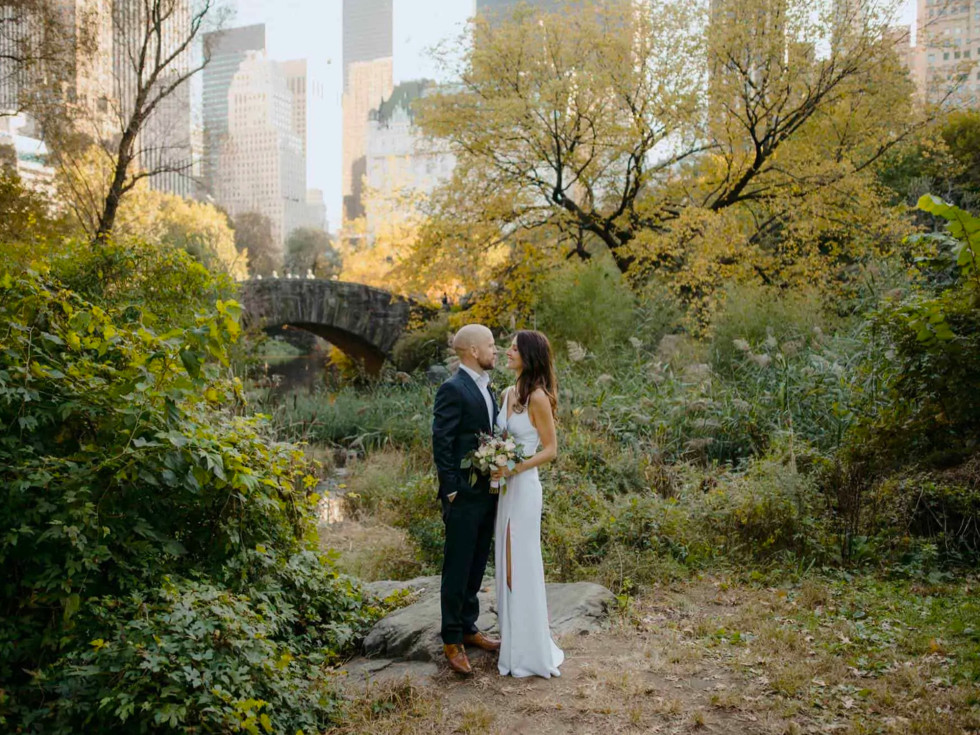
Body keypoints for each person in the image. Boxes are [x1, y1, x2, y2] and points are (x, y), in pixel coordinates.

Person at [490, 330, 564, 678]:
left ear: (529, 356)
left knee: (520, 562)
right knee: (504, 561)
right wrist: (493, 460)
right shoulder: (508, 393)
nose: (507, 352)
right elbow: (500, 438)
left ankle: (529, 649)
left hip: (524, 487)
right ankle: (512, 640)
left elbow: (550, 450)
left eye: (514, 348)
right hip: (505, 488)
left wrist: (514, 468)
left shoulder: (538, 397)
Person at [431, 324, 502, 675]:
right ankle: (451, 638)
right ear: (473, 351)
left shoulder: (488, 388)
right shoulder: (452, 388)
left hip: (488, 492)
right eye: (491, 345)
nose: (496, 350)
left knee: (476, 563)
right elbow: (441, 441)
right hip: (462, 495)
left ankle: (469, 627)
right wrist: (452, 490)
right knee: (457, 566)